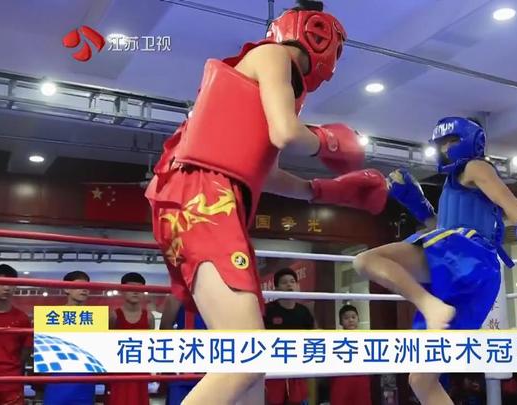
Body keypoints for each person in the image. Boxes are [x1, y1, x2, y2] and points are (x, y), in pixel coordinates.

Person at [144, 0, 388, 403]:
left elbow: (267, 172)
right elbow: (287, 134)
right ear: (320, 37)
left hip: (208, 200)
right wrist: (330, 141)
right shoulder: (272, 56)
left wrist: (325, 189)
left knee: (250, 372)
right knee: (247, 361)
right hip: (202, 197)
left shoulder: (261, 90)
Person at [353, 117, 517, 405]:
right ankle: (433, 306)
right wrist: (418, 206)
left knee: (366, 260)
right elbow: (443, 227)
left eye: (451, 141)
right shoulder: (453, 184)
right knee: (421, 380)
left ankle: (430, 305)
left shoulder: (476, 166)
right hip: (471, 271)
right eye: (441, 144)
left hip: (468, 257)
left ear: (471, 142)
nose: (445, 149)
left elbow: (507, 200)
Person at [43, 271, 96, 405]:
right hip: (57, 379)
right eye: (79, 286)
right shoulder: (51, 316)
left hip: (85, 380)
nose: (84, 290)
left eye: (87, 287)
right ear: (66, 289)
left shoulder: (96, 318)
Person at [264, 269, 315, 405]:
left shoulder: (303, 311)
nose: (289, 285)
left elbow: (312, 335)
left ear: (297, 286)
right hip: (274, 367)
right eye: (284, 282)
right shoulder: (268, 310)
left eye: (292, 282)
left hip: (297, 367)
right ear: (276, 288)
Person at [106, 272, 154, 405]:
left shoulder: (149, 317)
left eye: (139, 288)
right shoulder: (113, 316)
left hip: (140, 368)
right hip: (119, 369)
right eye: (131, 288)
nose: (135, 292)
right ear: (123, 290)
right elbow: (106, 343)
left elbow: (151, 343)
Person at [159, 294, 207, 405]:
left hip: (206, 364)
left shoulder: (213, 294)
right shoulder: (176, 296)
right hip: (183, 366)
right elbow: (165, 328)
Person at [0, 264, 32, 405]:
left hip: (11, 383)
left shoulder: (22, 318)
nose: (7, 288)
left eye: (11, 284)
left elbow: (26, 351)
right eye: (2, 283)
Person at [330, 304, 372, 405]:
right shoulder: (334, 338)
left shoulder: (366, 338)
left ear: (358, 319)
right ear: (340, 321)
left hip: (361, 378)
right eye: (346, 318)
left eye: (353, 317)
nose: (350, 320)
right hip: (341, 378)